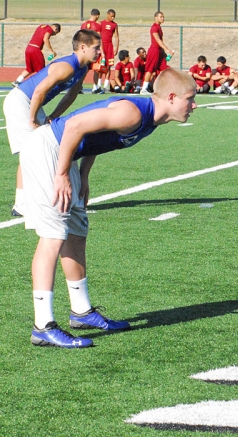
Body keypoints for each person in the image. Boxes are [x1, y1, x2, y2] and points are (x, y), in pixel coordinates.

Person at [23, 68, 197, 349]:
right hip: (50, 150)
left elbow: (96, 137)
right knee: (53, 236)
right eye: (190, 98)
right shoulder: (133, 113)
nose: (194, 105)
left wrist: (85, 175)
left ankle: (81, 312)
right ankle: (43, 325)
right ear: (172, 97)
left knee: (77, 231)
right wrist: (62, 174)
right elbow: (74, 126)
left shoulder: (151, 118)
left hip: (65, 155)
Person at [4, 29, 100, 217]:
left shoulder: (82, 69)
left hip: (34, 105)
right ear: (82, 47)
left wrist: (54, 115)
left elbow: (71, 95)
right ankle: (21, 205)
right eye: (96, 48)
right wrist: (32, 120)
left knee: (46, 148)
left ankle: (41, 198)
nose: (99, 52)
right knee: (29, 151)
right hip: (22, 101)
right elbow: (39, 90)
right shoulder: (67, 66)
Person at [141, 11, 174, 95]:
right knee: (150, 69)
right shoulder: (154, 27)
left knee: (164, 68)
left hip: (159, 51)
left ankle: (165, 87)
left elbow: (160, 41)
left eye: (163, 17)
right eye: (161, 17)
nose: (163, 18)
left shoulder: (159, 27)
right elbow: (158, 40)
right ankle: (144, 89)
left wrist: (163, 52)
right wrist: (166, 49)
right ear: (156, 17)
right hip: (154, 50)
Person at [97, 9, 119, 94]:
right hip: (102, 46)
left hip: (109, 47)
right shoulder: (101, 23)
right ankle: (98, 85)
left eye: (114, 16)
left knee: (109, 66)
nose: (112, 18)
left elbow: (116, 37)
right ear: (107, 15)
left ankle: (106, 86)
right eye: (111, 16)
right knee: (101, 66)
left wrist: (116, 48)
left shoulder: (114, 25)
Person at [80, 9, 103, 93]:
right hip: (93, 50)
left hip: (84, 50)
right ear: (97, 16)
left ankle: (79, 86)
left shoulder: (83, 25)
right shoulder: (97, 25)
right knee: (96, 69)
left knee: (83, 69)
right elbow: (99, 39)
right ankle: (95, 87)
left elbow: (80, 37)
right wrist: (102, 51)